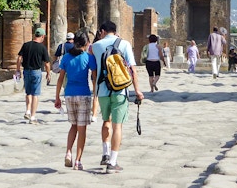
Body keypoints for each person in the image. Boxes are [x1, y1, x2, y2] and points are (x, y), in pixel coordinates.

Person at [91, 21, 144, 173]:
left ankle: (105, 154)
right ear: (115, 31)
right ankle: (112, 162)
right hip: (120, 90)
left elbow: (93, 71)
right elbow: (132, 70)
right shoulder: (125, 44)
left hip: (102, 90)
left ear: (102, 31)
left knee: (106, 121)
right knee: (117, 126)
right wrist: (137, 91)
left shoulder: (95, 46)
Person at [54, 30, 97, 171]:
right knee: (82, 128)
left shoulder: (66, 57)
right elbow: (95, 78)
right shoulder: (88, 58)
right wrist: (96, 94)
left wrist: (57, 97)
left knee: (73, 125)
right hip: (83, 94)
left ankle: (68, 152)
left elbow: (60, 79)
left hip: (69, 94)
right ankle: (78, 160)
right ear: (86, 43)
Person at [16, 27, 51, 124]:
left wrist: (18, 70)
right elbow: (47, 63)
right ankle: (33, 117)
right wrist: (48, 73)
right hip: (36, 72)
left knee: (28, 92)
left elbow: (19, 58)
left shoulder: (26, 45)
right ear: (42, 36)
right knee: (35, 94)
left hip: (26, 71)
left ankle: (27, 111)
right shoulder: (42, 48)